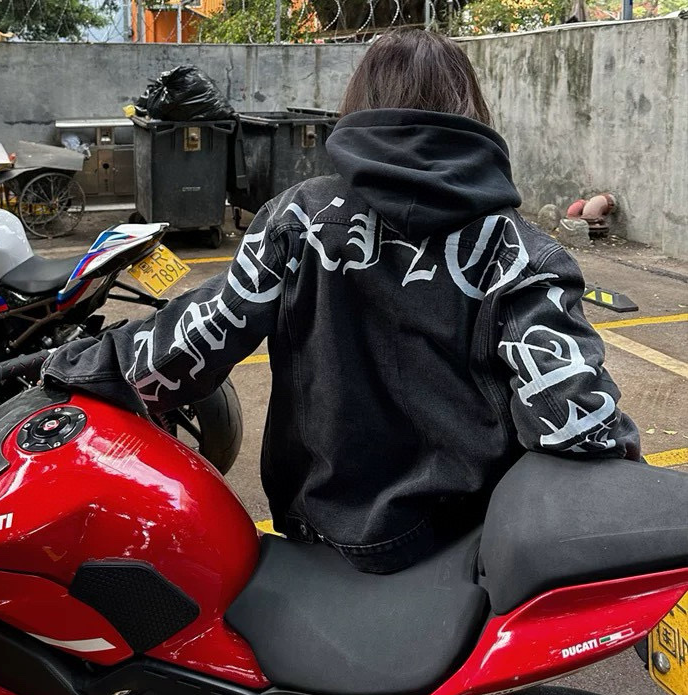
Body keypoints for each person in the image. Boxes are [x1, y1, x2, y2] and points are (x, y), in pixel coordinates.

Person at [44, 29, 640, 574]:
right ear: (472, 110)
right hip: (466, 550)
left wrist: (65, 365)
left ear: (360, 103)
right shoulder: (518, 251)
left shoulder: (299, 217)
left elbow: (189, 346)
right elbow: (576, 424)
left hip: (321, 538)